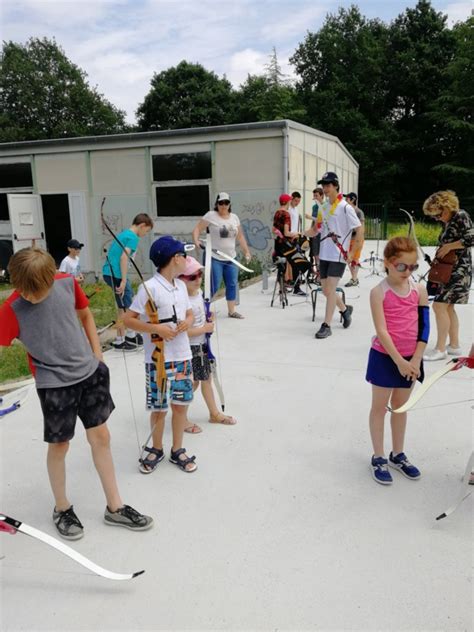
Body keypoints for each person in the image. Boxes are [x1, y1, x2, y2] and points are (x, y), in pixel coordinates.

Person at [0, 247, 153, 539]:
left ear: (51, 277)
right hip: (54, 383)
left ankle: (115, 507)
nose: (31, 298)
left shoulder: (66, 284)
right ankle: (62, 508)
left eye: (37, 291)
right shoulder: (11, 309)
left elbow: (85, 316)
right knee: (60, 446)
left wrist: (97, 354)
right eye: (25, 292)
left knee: (102, 437)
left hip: (88, 373)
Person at [123, 235, 197, 474]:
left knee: (180, 406)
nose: (187, 259)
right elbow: (128, 320)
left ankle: (177, 449)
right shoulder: (149, 288)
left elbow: (189, 313)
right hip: (158, 360)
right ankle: (156, 448)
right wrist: (156, 329)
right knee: (159, 408)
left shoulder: (182, 286)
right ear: (175, 259)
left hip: (182, 355)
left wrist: (186, 322)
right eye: (184, 255)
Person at [366, 237, 429, 485]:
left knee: (401, 408)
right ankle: (379, 456)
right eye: (401, 266)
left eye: (412, 267)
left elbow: (424, 328)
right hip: (385, 357)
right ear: (388, 263)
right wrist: (399, 362)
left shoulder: (419, 291)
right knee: (379, 408)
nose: (407, 272)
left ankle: (398, 454)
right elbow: (381, 330)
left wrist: (415, 358)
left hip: (411, 360)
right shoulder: (377, 293)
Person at [179, 256, 237, 433]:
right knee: (191, 384)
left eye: (199, 275)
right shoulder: (181, 300)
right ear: (180, 279)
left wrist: (208, 318)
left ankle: (214, 413)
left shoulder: (199, 295)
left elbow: (202, 318)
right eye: (191, 277)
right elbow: (182, 332)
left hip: (202, 346)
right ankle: (180, 418)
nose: (197, 279)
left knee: (206, 379)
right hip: (189, 348)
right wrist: (204, 328)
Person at [306, 172, 361, 339]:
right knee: (326, 290)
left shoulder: (345, 207)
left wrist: (352, 253)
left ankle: (326, 325)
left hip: (339, 255)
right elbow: (316, 229)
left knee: (329, 289)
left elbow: (359, 230)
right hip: (324, 254)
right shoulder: (323, 208)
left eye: (328, 185)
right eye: (324, 185)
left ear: (336, 186)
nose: (325, 188)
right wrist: (300, 234)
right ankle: (344, 310)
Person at [421, 190, 473, 361]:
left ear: (446, 207)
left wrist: (450, 246)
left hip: (459, 270)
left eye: (438, 215)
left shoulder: (460, 216)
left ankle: (440, 348)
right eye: (434, 217)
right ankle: (454, 345)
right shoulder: (449, 220)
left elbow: (471, 237)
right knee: (448, 306)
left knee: (439, 305)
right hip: (449, 269)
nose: (438, 219)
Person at [192, 192, 251, 319]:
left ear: (229, 204)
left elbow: (240, 236)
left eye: (226, 203)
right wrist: (196, 241)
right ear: (217, 204)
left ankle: (231, 311)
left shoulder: (234, 217)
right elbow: (197, 229)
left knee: (232, 283)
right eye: (221, 203)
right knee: (214, 284)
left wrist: (246, 251)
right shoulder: (211, 216)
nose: (223, 206)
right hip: (215, 257)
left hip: (231, 257)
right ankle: (201, 310)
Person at [102, 213, 154, 350]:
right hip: (116, 274)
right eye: (146, 231)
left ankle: (128, 335)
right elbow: (124, 258)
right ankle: (123, 339)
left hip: (110, 272)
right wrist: (124, 280)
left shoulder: (125, 234)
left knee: (125, 304)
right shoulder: (133, 237)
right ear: (142, 226)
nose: (145, 234)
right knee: (126, 307)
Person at [272, 193, 310, 296]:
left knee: (282, 265)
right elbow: (287, 232)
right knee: (300, 263)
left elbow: (274, 230)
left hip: (278, 244)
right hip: (288, 243)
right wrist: (297, 233)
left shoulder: (277, 213)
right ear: (287, 202)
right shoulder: (286, 214)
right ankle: (296, 288)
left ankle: (282, 288)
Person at [344, 193, 365, 287]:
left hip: (356, 239)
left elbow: (361, 228)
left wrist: (359, 238)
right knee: (348, 258)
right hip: (348, 238)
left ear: (352, 200)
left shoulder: (359, 212)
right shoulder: (346, 211)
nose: (345, 200)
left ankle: (354, 279)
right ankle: (354, 278)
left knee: (354, 259)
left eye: (347, 198)